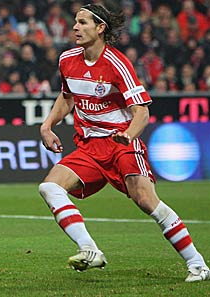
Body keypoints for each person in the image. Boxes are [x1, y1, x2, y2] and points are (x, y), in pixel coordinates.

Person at [38, 3, 209, 283]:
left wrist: (128, 135)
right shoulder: (67, 59)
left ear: (100, 28)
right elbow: (67, 96)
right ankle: (90, 250)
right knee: (49, 187)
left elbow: (142, 111)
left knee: (146, 200)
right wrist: (47, 126)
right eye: (75, 22)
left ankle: (197, 263)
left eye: (82, 23)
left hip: (121, 143)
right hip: (90, 147)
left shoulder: (117, 63)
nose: (75, 28)